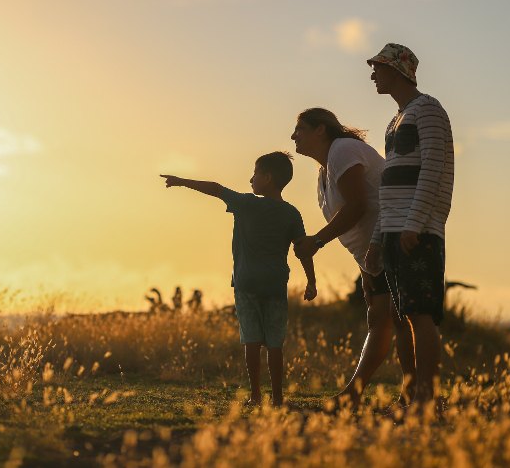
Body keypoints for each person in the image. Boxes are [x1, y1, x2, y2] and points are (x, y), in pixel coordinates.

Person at [161, 152, 317, 407]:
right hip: (276, 284)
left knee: (252, 340)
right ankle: (277, 398)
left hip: (246, 283)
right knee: (275, 343)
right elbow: (303, 249)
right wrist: (311, 281)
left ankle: (256, 396)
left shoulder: (246, 203)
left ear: (267, 178)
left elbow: (214, 188)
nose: (251, 179)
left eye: (255, 173)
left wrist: (181, 181)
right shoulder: (292, 213)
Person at [291, 108, 412, 409]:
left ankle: (399, 394)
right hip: (374, 253)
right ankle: (398, 393)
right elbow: (358, 219)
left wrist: (317, 241)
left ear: (321, 130)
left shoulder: (342, 150)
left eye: (300, 129)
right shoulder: (325, 171)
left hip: (394, 239)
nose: (294, 136)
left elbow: (358, 206)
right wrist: (366, 270)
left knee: (396, 319)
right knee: (383, 319)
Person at [364, 43, 454, 406]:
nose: (373, 75)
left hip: (417, 231)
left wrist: (414, 223)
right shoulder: (394, 121)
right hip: (393, 232)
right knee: (402, 315)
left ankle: (426, 399)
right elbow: (389, 185)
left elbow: (434, 169)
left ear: (398, 71)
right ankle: (411, 394)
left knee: (420, 313)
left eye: (378, 68)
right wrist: (376, 238)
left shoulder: (429, 110)